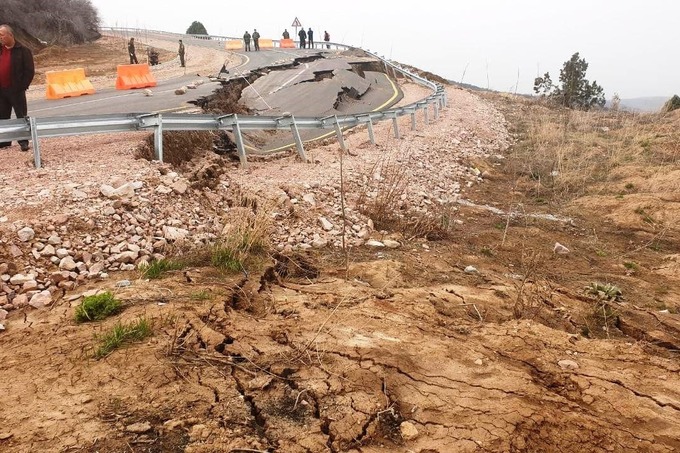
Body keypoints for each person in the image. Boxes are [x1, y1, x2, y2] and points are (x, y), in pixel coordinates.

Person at [0, 24, 34, 152]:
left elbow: (29, 71)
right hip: (1, 91)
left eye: (2, 35)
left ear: (10, 35)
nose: (0, 38)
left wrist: (22, 86)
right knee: (2, 116)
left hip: (16, 90)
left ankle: (23, 142)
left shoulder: (23, 50)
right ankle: (4, 142)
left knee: (21, 116)